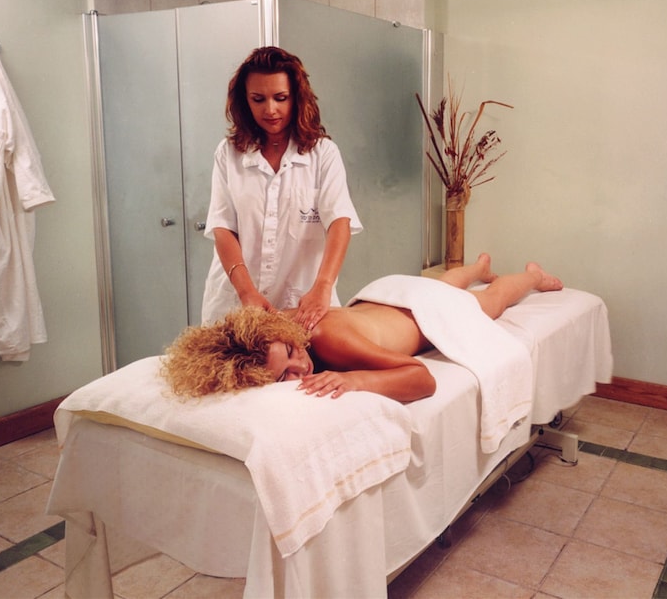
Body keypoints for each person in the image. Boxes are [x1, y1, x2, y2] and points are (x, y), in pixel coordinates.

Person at [164, 254, 564, 403]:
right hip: (391, 293)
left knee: (490, 302)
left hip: (428, 310)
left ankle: (533, 276)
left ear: (281, 336)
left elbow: (422, 378)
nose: (301, 368)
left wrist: (355, 380)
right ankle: (477, 267)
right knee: (441, 285)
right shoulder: (278, 325)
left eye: (290, 353)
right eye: (284, 376)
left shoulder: (327, 341)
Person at [200, 46, 362, 331]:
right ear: (245, 101)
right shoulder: (229, 154)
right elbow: (223, 228)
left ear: (297, 97)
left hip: (303, 303)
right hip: (235, 301)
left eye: (281, 98)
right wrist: (246, 292)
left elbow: (339, 221)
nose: (270, 109)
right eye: (258, 99)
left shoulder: (323, 154)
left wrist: (323, 286)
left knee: (302, 361)